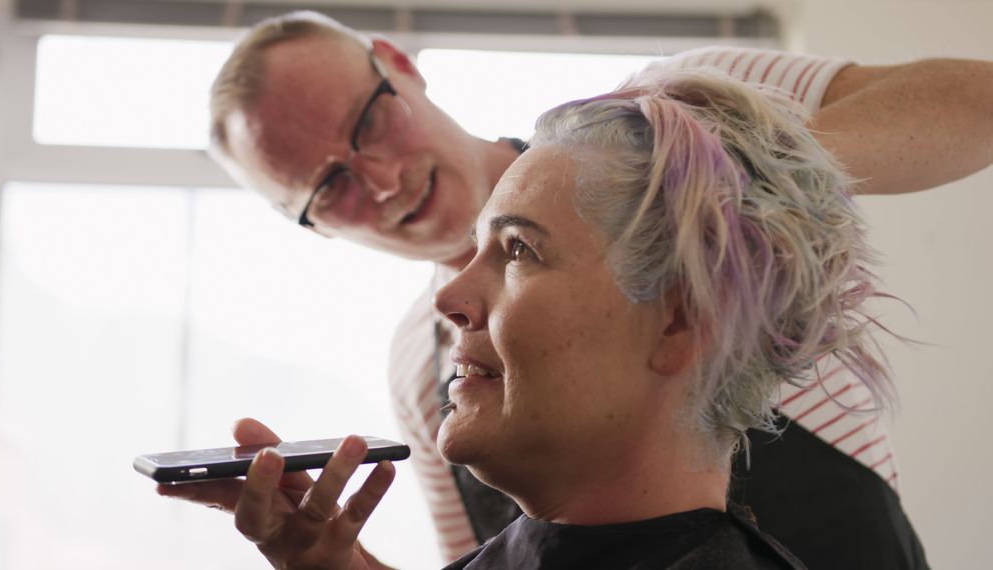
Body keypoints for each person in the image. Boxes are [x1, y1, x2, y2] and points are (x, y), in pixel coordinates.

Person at [178, 9, 992, 567]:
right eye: (330, 187)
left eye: (367, 125)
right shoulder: (419, 370)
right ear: (311, 226)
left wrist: (703, 187)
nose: (382, 180)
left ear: (397, 64)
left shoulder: (676, 109)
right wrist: (332, 559)